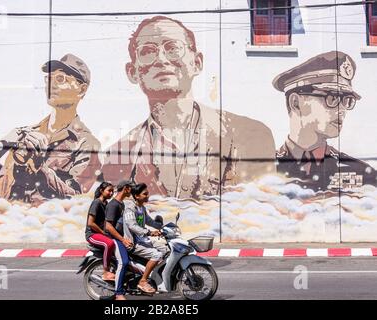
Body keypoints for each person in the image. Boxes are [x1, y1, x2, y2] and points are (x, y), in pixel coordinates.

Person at [102, 15, 276, 199]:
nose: (161, 59)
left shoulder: (248, 135)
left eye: (173, 48)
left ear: (197, 63)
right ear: (132, 72)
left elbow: (255, 214)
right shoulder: (118, 154)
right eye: (147, 52)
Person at [0, 54, 101, 203]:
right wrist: (19, 165)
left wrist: (40, 166)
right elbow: (2, 192)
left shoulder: (87, 143)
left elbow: (76, 197)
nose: (52, 85)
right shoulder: (26, 134)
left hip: (53, 223)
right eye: (49, 78)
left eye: (60, 79)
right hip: (17, 220)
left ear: (81, 90)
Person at [273, 51, 377, 191]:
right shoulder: (263, 170)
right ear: (296, 103)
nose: (342, 110)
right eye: (333, 98)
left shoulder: (361, 172)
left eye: (347, 101)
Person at [123, 183, 167, 294]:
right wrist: (149, 232)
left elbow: (149, 221)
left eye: (147, 193)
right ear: (137, 196)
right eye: (145, 194)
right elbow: (132, 225)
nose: (147, 196)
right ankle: (143, 281)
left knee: (165, 250)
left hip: (142, 240)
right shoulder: (130, 208)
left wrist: (163, 227)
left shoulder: (141, 207)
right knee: (156, 254)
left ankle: (155, 276)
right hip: (133, 243)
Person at [104, 180, 135, 300]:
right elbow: (108, 226)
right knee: (124, 262)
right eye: (130, 188)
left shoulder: (121, 204)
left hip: (121, 237)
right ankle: (118, 293)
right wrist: (123, 240)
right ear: (126, 188)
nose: (132, 191)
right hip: (114, 238)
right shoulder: (113, 205)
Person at [85, 182, 116, 281]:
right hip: (92, 234)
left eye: (112, 191)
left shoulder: (106, 203)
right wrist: (103, 233)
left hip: (100, 233)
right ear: (102, 191)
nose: (111, 193)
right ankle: (105, 272)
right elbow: (90, 223)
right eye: (109, 191)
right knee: (109, 244)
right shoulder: (97, 203)